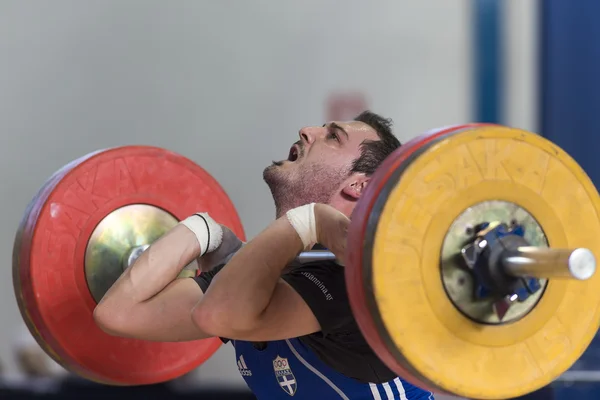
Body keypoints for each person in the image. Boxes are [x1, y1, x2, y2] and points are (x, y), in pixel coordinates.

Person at [93, 111, 434, 400]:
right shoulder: (258, 279)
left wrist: (305, 221)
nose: (307, 130)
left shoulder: (357, 282)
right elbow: (117, 314)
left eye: (333, 137)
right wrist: (201, 231)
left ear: (360, 185)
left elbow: (217, 315)